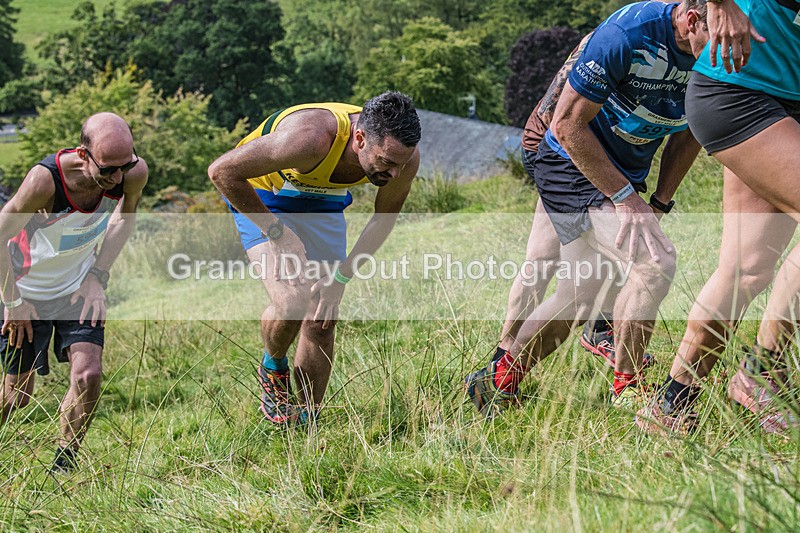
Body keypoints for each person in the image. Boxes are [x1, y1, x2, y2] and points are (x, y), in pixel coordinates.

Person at [466, 0, 711, 418]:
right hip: (569, 157)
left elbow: (690, 133)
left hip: (621, 172)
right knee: (654, 262)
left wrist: (658, 202)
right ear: (692, 20)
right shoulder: (628, 37)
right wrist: (625, 199)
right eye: (722, 34)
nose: (734, 47)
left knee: (581, 292)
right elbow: (565, 125)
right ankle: (628, 385)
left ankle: (498, 377)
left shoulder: (716, 55)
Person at [636, 0, 800, 434]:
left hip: (788, 100)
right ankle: (764, 370)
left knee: (746, 269)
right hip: (739, 91)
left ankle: (672, 402)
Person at [208, 92, 420, 425]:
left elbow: (384, 216)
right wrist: (278, 234)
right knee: (293, 300)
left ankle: (308, 420)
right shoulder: (310, 138)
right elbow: (222, 172)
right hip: (265, 195)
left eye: (401, 164)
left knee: (322, 315)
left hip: (322, 202)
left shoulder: (404, 156)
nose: (395, 173)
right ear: (360, 139)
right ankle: (273, 367)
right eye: (386, 162)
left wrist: (342, 277)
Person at [0, 112, 148, 472]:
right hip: (25, 293)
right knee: (17, 396)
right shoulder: (44, 181)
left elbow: (123, 220)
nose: (117, 177)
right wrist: (13, 302)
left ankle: (64, 464)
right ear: (84, 155)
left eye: (124, 166)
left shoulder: (132, 172)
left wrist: (97, 275)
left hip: (76, 291)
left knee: (88, 375)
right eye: (108, 168)